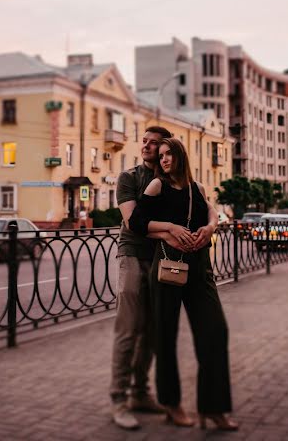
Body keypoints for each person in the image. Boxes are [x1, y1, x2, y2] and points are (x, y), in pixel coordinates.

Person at [128, 138, 238, 431]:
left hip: (200, 269)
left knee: (215, 332)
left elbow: (213, 212)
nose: (164, 160)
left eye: (169, 154)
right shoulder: (157, 187)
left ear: (180, 156)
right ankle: (171, 403)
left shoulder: (197, 188)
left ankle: (213, 408)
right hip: (167, 269)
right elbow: (137, 223)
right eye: (161, 156)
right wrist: (169, 230)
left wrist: (211, 226)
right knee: (165, 336)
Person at [109, 126, 173, 429]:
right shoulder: (129, 178)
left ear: (166, 149)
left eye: (153, 143)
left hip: (161, 259)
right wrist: (172, 230)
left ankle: (139, 392)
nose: (146, 146)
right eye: (144, 141)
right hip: (132, 254)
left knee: (151, 330)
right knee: (128, 329)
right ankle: (118, 399)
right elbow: (133, 224)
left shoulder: (173, 180)